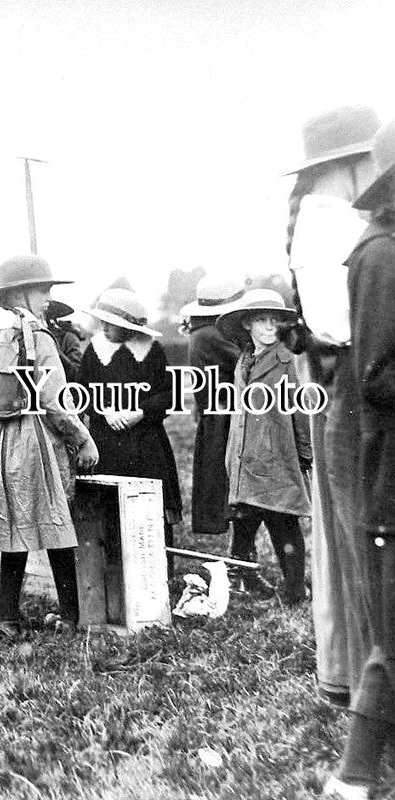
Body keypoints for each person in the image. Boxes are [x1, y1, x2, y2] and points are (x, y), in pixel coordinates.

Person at [284, 105, 381, 710]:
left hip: (342, 382)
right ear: (349, 164)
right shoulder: (334, 226)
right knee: (364, 530)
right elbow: (348, 326)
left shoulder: (321, 218)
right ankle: (372, 674)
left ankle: (352, 669)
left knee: (349, 530)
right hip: (355, 380)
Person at [0, 255, 99, 634]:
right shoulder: (36, 335)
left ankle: (7, 617)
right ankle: (71, 616)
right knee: (55, 519)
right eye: (44, 290)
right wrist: (83, 440)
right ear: (23, 292)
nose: (47, 298)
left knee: (11, 526)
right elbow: (55, 401)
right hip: (34, 436)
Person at [323, 118, 395, 800]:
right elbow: (375, 374)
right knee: (394, 640)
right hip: (392, 473)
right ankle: (353, 776)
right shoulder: (378, 254)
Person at [78, 287, 183, 574]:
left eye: (109, 324)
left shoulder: (152, 351)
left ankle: (155, 571)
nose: (104, 328)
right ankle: (112, 570)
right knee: (109, 507)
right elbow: (82, 391)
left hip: (146, 444)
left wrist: (140, 412)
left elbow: (168, 395)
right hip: (106, 443)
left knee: (150, 507)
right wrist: (104, 410)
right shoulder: (94, 350)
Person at [217, 289, 312, 604]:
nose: (270, 327)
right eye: (262, 320)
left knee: (283, 520)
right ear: (247, 324)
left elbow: (301, 410)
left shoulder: (287, 360)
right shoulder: (244, 360)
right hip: (246, 455)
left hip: (275, 455)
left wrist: (304, 454)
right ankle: (242, 577)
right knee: (243, 521)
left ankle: (296, 590)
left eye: (275, 321)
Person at [181, 276, 246, 540]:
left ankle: (242, 560)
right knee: (236, 496)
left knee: (234, 497)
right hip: (226, 423)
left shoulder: (201, 332)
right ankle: (241, 564)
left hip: (217, 420)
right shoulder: (214, 335)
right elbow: (246, 365)